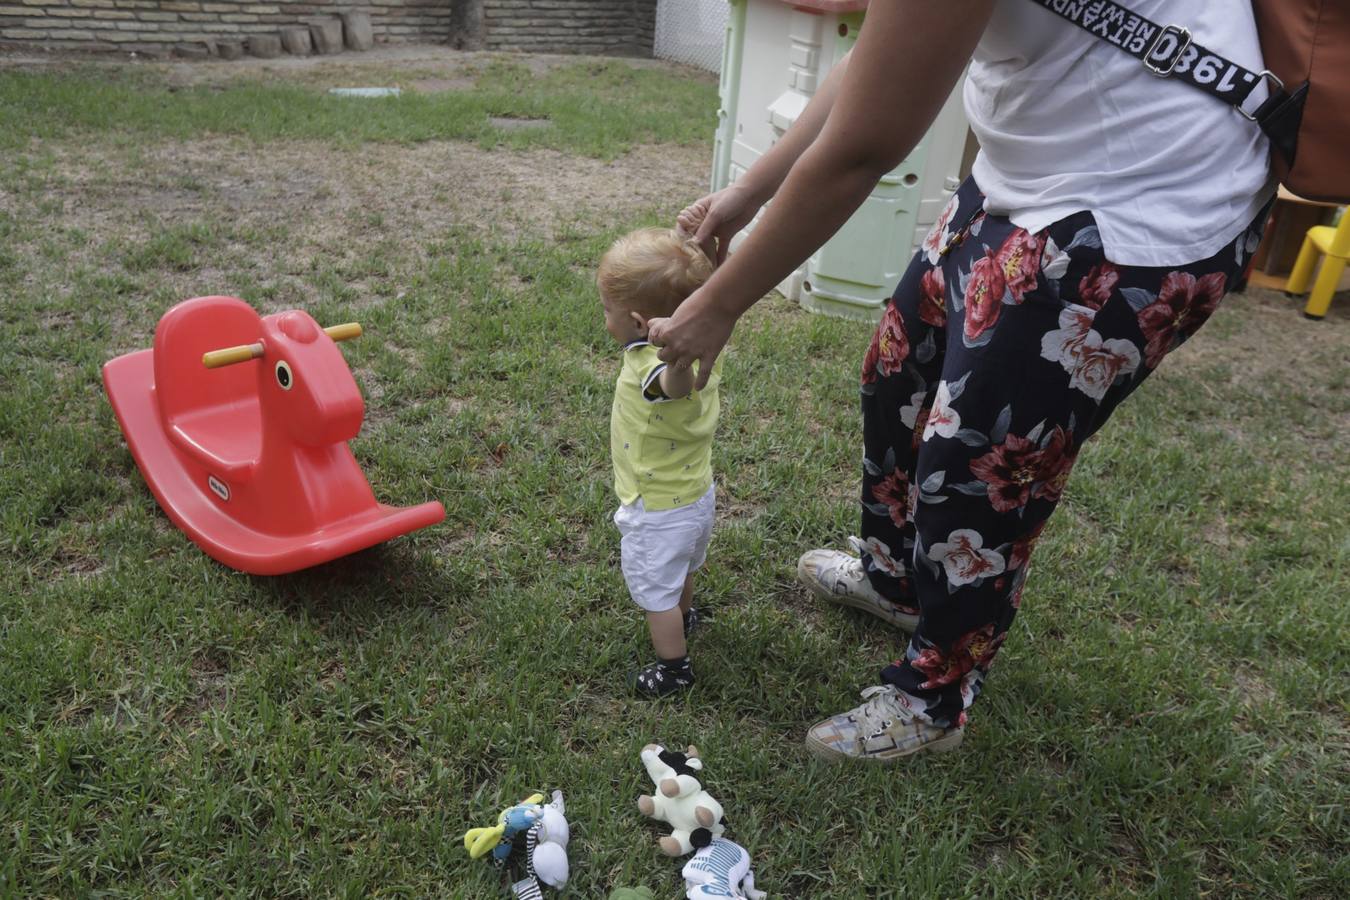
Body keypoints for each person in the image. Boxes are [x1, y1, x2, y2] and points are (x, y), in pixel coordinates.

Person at [649, 0, 1274, 761]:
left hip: (1142, 210)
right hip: (1033, 173)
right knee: (896, 372)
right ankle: (897, 582)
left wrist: (717, 306)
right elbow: (867, 68)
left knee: (978, 462)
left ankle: (934, 696)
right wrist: (743, 197)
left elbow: (863, 147)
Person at [599, 227, 721, 698]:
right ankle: (685, 616)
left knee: (655, 592)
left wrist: (674, 361)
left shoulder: (661, 361)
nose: (605, 319)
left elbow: (674, 387)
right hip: (695, 493)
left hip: (656, 505)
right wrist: (711, 253)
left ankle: (673, 668)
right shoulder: (708, 339)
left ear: (634, 320)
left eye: (607, 312)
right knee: (683, 569)